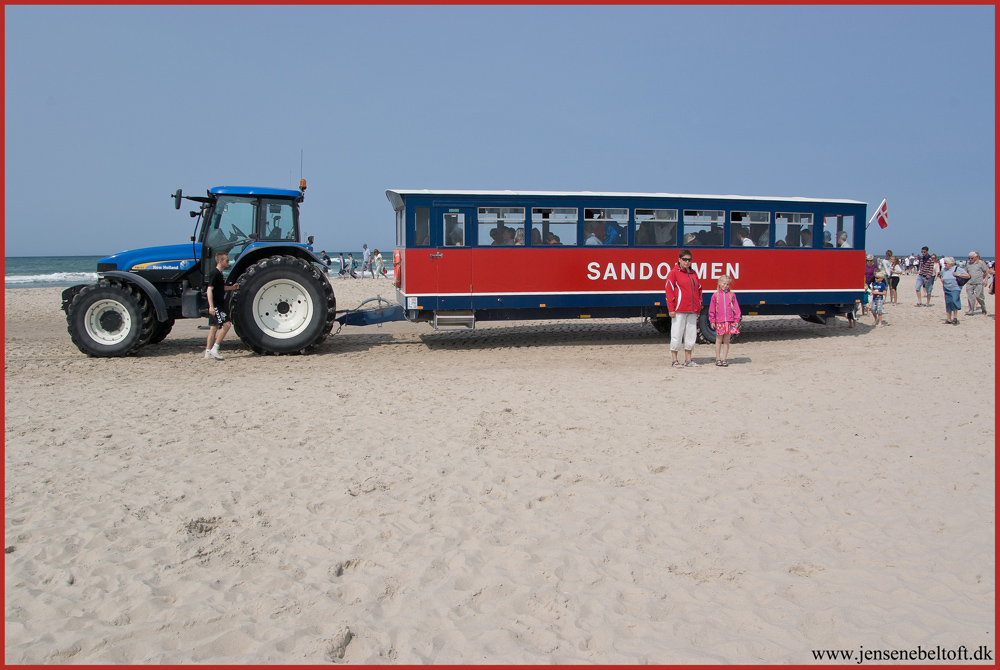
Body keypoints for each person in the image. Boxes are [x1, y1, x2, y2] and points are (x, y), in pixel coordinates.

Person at [664, 250, 703, 368]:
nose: (687, 262)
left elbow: (699, 289)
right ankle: (675, 360)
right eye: (685, 259)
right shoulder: (673, 273)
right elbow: (669, 291)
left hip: (692, 310)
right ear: (679, 259)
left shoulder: (693, 273)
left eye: (689, 260)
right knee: (677, 334)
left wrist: (699, 303)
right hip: (679, 309)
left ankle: (688, 360)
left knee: (691, 335)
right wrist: (671, 308)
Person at [204, 251, 234, 360]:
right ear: (220, 261)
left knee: (214, 328)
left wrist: (232, 288)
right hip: (216, 305)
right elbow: (209, 289)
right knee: (227, 325)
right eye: (226, 260)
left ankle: (207, 352)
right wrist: (211, 306)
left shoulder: (220, 274)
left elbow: (220, 288)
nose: (228, 262)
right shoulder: (215, 273)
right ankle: (215, 348)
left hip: (217, 304)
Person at [709, 274, 740, 367]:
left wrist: (736, 320)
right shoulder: (715, 296)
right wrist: (712, 320)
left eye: (727, 284)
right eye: (724, 283)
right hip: (720, 321)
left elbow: (736, 309)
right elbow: (712, 309)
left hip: (729, 321)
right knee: (719, 340)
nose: (725, 285)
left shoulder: (732, 295)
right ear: (719, 283)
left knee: (727, 341)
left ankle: (724, 359)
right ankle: (718, 359)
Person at [963, 251, 990, 315]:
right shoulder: (968, 264)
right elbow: (965, 271)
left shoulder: (981, 263)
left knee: (979, 297)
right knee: (970, 297)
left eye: (972, 258)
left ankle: (983, 308)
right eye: (969, 258)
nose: (970, 259)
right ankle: (971, 310)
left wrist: (985, 280)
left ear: (976, 257)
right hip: (969, 282)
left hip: (979, 283)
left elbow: (985, 272)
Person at [939, 256, 962, 325]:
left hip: (955, 288)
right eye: (944, 263)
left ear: (951, 263)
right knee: (948, 303)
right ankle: (949, 319)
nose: (945, 264)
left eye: (946, 263)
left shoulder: (957, 269)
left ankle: (955, 317)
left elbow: (967, 276)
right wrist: (942, 279)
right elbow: (942, 276)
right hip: (946, 288)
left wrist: (957, 274)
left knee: (954, 301)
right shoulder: (944, 270)